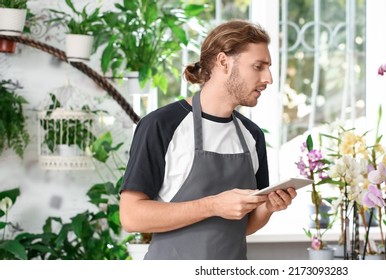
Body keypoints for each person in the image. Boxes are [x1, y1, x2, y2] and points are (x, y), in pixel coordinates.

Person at [119, 19, 297, 260]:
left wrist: (267, 208)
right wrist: (213, 205)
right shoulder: (161, 126)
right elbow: (131, 217)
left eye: (269, 67)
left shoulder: (252, 136)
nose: (269, 78)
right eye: (258, 66)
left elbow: (242, 226)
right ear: (224, 62)